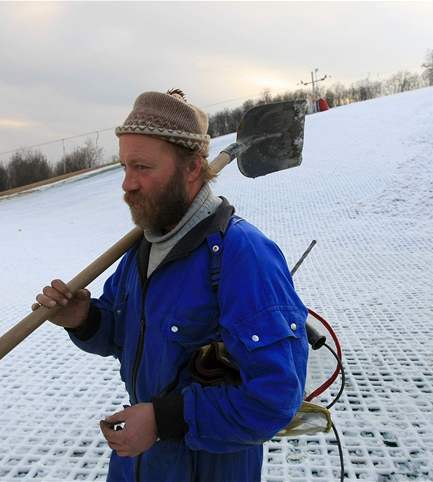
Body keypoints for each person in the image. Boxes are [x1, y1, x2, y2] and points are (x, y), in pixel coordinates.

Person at [33, 89, 309, 482]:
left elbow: (274, 400)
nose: (127, 184)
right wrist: (84, 318)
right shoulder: (143, 248)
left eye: (142, 167)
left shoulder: (243, 256)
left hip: (208, 468)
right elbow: (124, 333)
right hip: (139, 466)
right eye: (124, 167)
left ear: (193, 168)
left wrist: (163, 421)